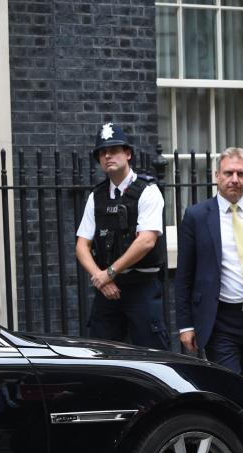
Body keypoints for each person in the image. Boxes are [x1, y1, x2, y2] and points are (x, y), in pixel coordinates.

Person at [174, 147, 243, 381]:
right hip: (220, 319)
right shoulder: (196, 216)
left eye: (241, 174)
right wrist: (185, 324)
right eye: (228, 173)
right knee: (232, 384)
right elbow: (184, 273)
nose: (234, 180)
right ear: (217, 176)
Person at [75, 123, 169, 350]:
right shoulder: (96, 196)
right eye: (102, 152)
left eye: (114, 150)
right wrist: (100, 277)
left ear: (127, 153)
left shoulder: (148, 190)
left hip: (141, 285)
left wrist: (109, 273)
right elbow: (81, 245)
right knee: (102, 353)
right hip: (108, 289)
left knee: (152, 354)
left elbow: (146, 241)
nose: (107, 156)